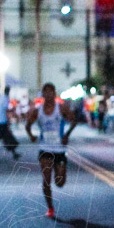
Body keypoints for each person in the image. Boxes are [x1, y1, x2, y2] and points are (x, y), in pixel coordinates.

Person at [25, 83, 77, 219]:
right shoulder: (38, 111)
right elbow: (28, 124)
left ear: (55, 94)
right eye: (46, 92)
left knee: (60, 182)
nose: (48, 95)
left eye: (51, 92)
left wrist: (67, 134)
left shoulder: (61, 109)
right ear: (43, 95)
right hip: (45, 149)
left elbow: (74, 120)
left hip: (59, 149)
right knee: (46, 180)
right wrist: (31, 136)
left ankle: (58, 176)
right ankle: (50, 207)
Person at [0, 86, 21, 160]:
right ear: (9, 91)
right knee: (5, 136)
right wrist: (9, 120)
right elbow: (6, 110)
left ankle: (14, 153)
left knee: (5, 136)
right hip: (2, 120)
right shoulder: (5, 99)